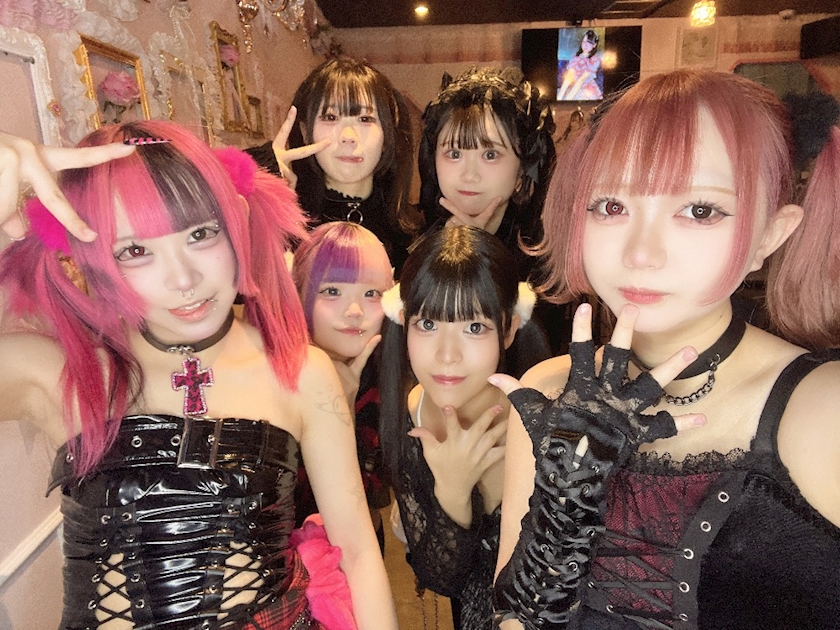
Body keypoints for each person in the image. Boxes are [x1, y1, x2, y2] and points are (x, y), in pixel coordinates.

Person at [0, 122, 398, 629]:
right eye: (135, 250)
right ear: (93, 259)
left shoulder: (299, 369)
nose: (184, 279)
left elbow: (358, 554)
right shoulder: (64, 373)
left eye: (200, 234)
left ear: (237, 223)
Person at [493, 69, 840, 629]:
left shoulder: (824, 410)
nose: (641, 253)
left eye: (699, 210)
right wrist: (560, 520)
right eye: (611, 206)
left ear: (770, 235)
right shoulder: (546, 393)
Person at [378, 225, 551, 629]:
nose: (447, 355)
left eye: (474, 327)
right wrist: (453, 490)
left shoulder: (545, 425)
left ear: (508, 330)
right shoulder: (416, 409)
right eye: (428, 324)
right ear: (404, 323)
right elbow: (442, 579)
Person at [417, 67, 564, 352]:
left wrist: (480, 257)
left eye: (490, 154)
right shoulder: (411, 245)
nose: (469, 175)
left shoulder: (546, 265)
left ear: (522, 170)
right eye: (454, 154)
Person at [247, 57, 419, 274]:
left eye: (365, 119)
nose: (348, 136)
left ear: (387, 135)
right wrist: (261, 179)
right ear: (305, 132)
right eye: (330, 117)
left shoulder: (413, 236)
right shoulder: (288, 224)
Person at [290, 221, 394, 550]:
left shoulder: (388, 379)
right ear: (298, 293)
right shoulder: (270, 380)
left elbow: (365, 519)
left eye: (371, 294)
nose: (354, 311)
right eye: (332, 291)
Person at [556, 29, 602, 102]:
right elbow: (569, 77)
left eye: (589, 42)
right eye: (584, 41)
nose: (585, 45)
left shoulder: (595, 60)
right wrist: (559, 98)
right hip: (574, 87)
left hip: (587, 90)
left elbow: (582, 79)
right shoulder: (575, 58)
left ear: (594, 45)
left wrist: (567, 101)